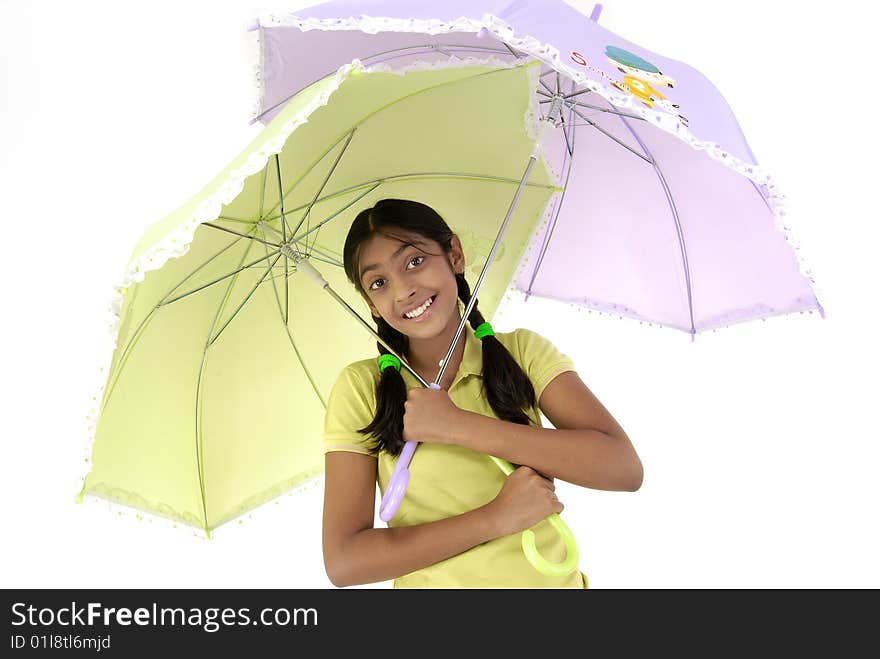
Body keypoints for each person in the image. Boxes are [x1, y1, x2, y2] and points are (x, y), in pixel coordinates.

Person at [322, 198, 643, 588]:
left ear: (454, 254)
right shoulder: (361, 389)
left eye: (413, 262)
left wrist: (459, 426)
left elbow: (622, 467)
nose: (404, 289)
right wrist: (495, 518)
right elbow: (345, 562)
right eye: (378, 282)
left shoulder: (522, 353)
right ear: (370, 305)